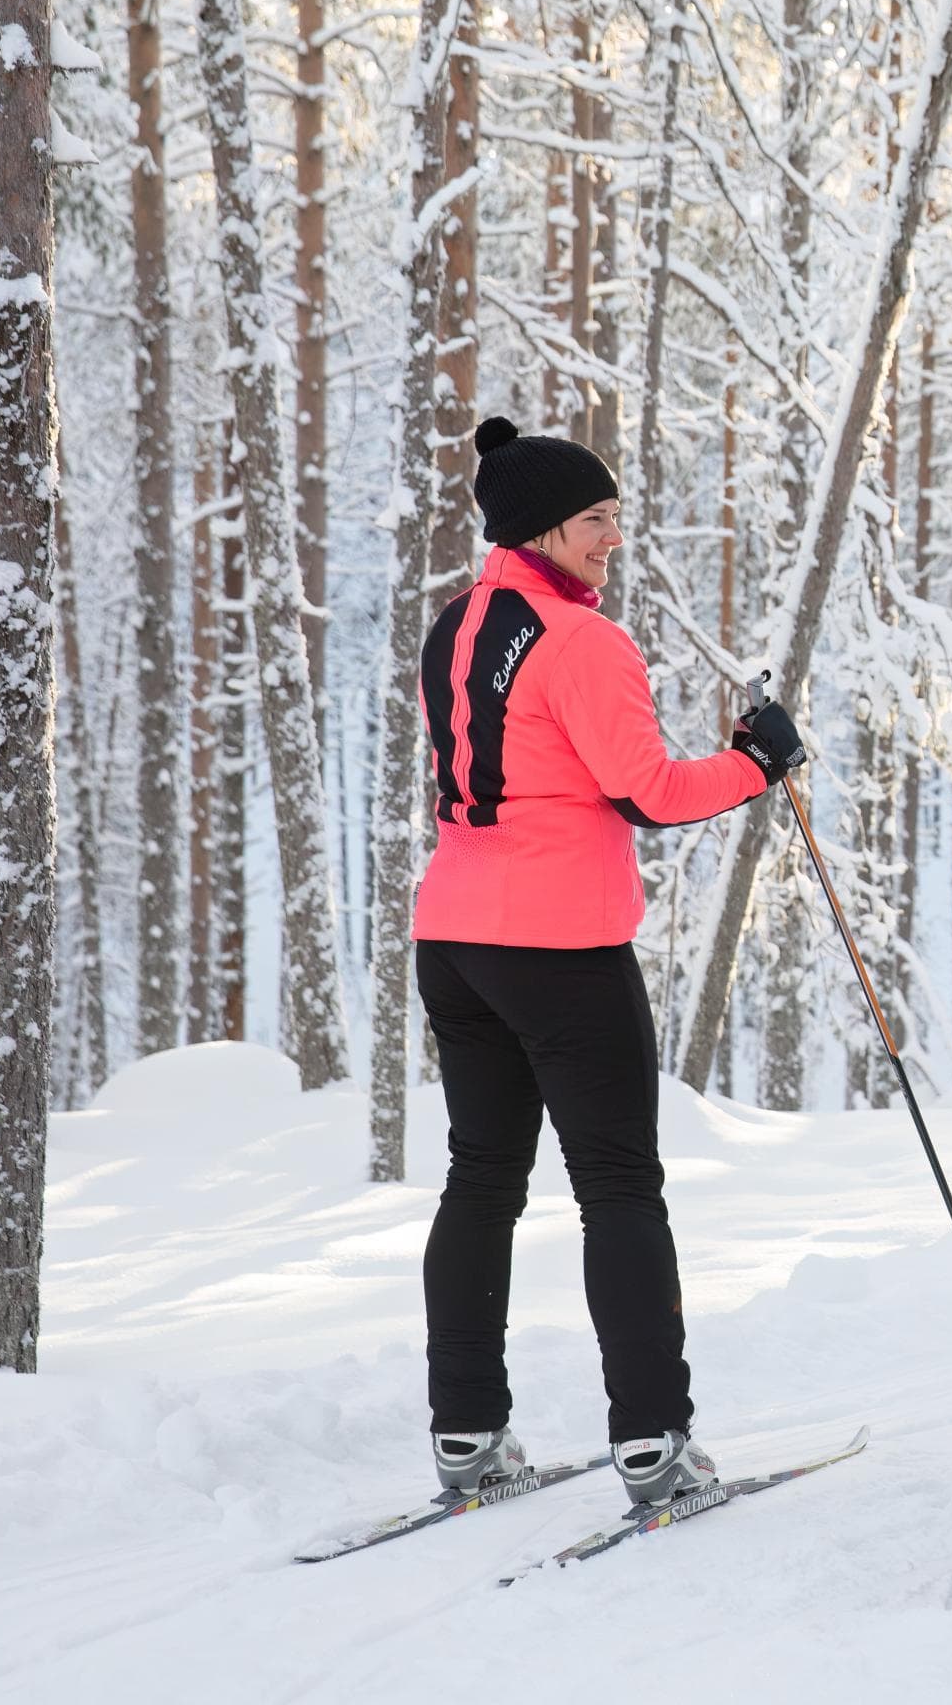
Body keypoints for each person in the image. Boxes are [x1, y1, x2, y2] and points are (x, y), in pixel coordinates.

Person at [412, 417, 806, 1507]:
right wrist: (758, 762)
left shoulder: (455, 625)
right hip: (561, 950)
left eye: (616, 517)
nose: (612, 539)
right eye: (595, 519)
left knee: (481, 1178)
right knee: (619, 1185)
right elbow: (650, 793)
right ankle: (654, 1445)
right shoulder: (582, 639)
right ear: (541, 527)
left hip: (455, 939)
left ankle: (466, 1435)